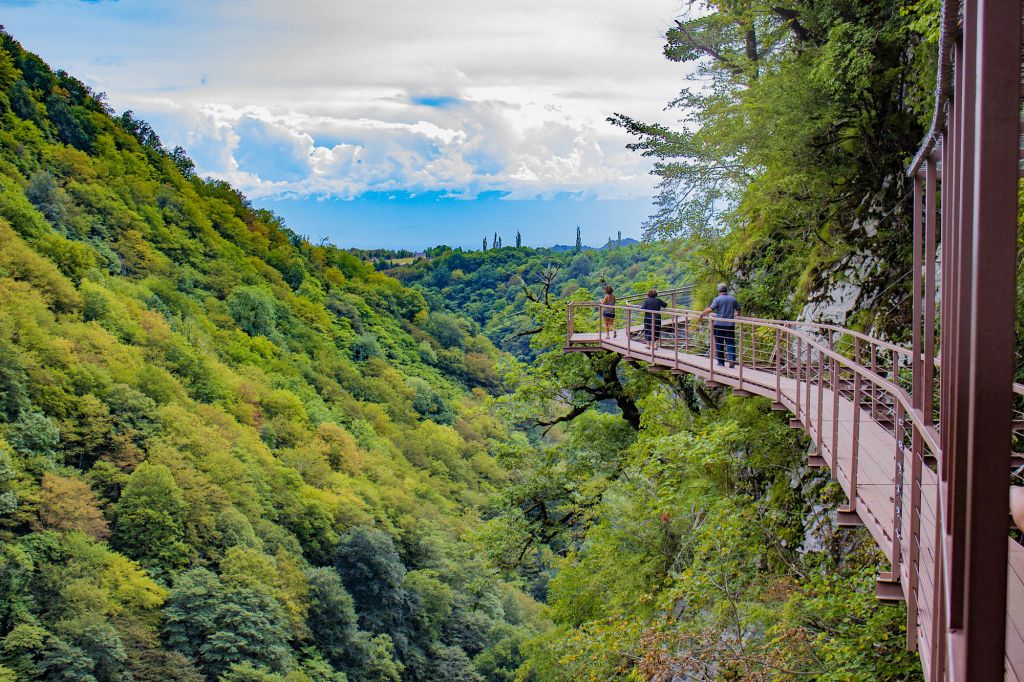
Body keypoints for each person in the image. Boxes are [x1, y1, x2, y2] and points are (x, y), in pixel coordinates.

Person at [699, 283, 741, 367]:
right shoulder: (733, 299)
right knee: (730, 342)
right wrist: (736, 315)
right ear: (726, 290)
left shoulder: (717, 299)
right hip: (730, 325)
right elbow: (738, 309)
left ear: (719, 290)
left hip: (719, 324)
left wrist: (702, 313)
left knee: (719, 343)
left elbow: (710, 309)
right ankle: (732, 359)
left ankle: (721, 362)